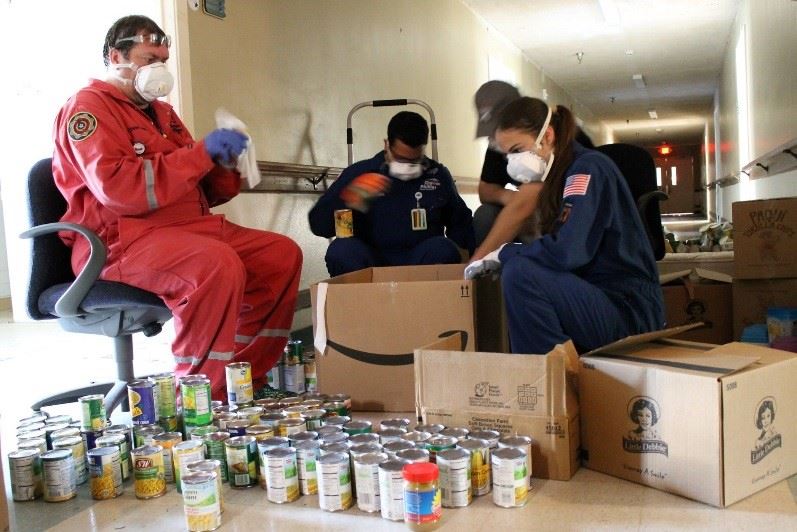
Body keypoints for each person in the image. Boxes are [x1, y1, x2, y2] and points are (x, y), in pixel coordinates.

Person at [52, 15, 302, 400]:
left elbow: (207, 193)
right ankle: (201, 395)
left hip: (190, 229)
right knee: (213, 265)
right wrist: (200, 152)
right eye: (149, 58)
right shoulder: (88, 108)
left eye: (163, 60)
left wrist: (223, 162)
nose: (159, 69)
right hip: (121, 241)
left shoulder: (164, 115)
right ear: (116, 56)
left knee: (280, 256)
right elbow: (120, 189)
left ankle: (244, 380)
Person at [465, 97, 664, 354]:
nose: (511, 163)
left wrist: (503, 253)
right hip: (600, 297)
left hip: (627, 309)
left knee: (520, 272)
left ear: (547, 136)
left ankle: (543, 380)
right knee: (519, 269)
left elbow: (569, 251)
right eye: (506, 156)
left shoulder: (587, 169)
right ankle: (552, 371)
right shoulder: (560, 176)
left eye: (516, 150)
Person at [308, 111, 474, 276]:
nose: (407, 166)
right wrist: (348, 199)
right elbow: (320, 226)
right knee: (341, 250)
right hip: (371, 262)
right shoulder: (361, 173)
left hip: (419, 262)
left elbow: (461, 223)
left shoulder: (436, 175)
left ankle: (428, 299)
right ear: (387, 145)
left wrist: (474, 259)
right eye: (401, 159)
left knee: (443, 248)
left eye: (414, 160)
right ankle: (360, 301)